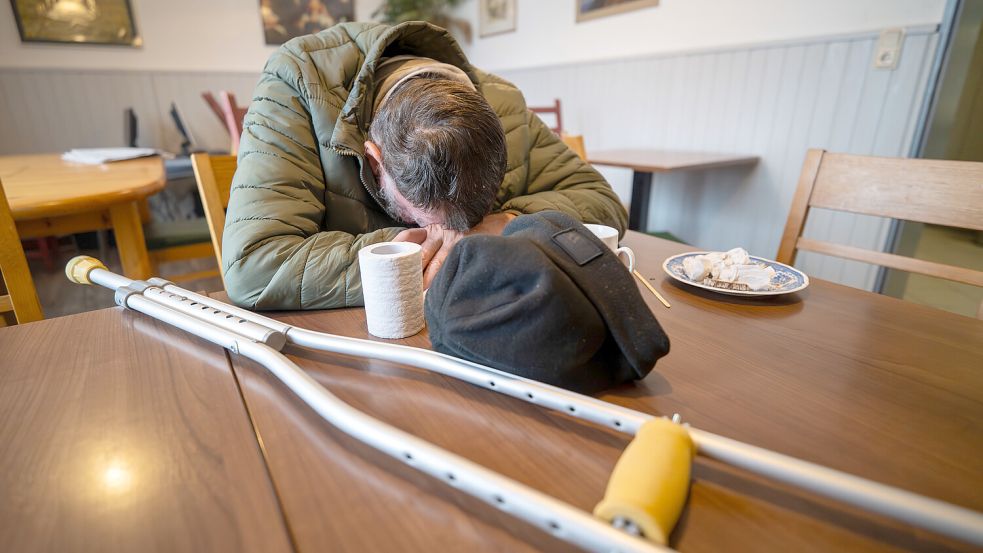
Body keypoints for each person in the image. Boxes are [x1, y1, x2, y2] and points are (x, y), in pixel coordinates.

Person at [223, 21, 627, 310]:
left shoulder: (503, 102)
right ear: (374, 161)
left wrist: (510, 221)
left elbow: (599, 200)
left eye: (470, 220)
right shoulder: (297, 81)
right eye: (433, 221)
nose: (454, 235)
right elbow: (254, 264)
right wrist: (401, 260)